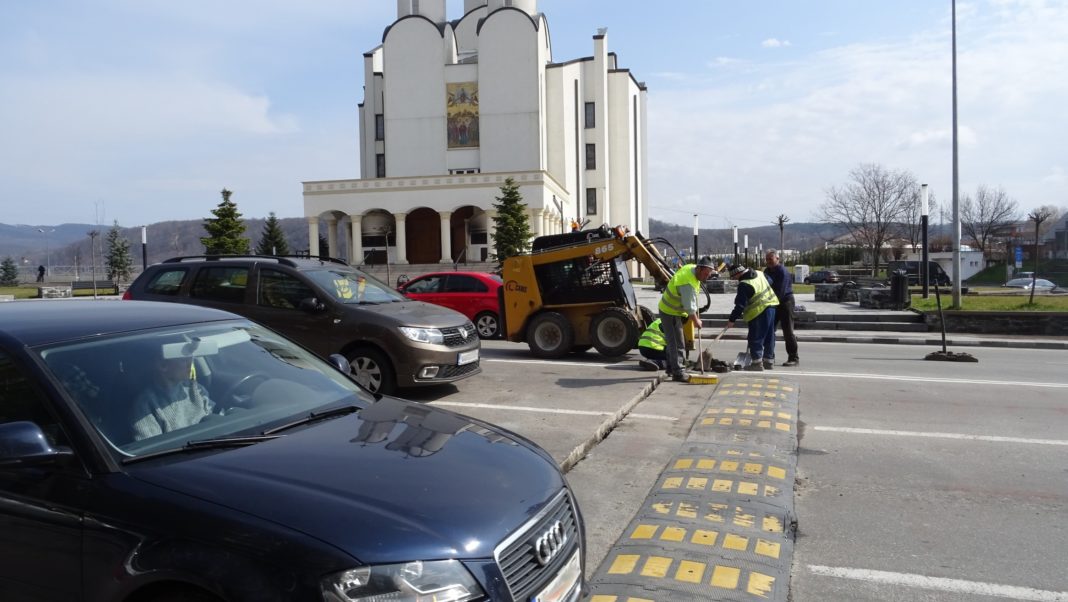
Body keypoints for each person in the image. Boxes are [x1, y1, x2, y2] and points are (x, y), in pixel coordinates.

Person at [657, 256, 717, 382]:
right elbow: (689, 307)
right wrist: (696, 321)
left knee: (673, 342)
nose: (707, 277)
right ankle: (678, 372)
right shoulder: (687, 283)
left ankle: (670, 367)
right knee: (678, 343)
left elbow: (691, 298)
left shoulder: (691, 269)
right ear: (699, 269)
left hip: (672, 310)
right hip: (670, 311)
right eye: (705, 274)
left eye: (709, 274)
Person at [131, 353, 216, 440]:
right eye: (184, 360)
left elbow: (213, 420)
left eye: (192, 359)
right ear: (162, 365)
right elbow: (151, 448)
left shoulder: (195, 388)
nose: (191, 364)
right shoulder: (146, 404)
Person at [726, 264, 780, 371]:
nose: (734, 279)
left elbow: (740, 305)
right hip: (772, 306)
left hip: (759, 311)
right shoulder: (759, 273)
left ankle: (757, 363)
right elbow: (771, 282)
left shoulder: (745, 284)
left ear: (737, 274)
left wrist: (732, 320)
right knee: (769, 336)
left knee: (755, 337)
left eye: (734, 277)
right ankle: (768, 361)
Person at [764, 250, 799, 366]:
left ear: (777, 259)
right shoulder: (766, 271)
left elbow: (780, 292)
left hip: (785, 302)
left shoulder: (782, 272)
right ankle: (769, 356)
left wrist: (769, 302)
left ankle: (793, 357)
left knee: (788, 331)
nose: (768, 261)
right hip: (773, 303)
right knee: (769, 330)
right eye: (767, 259)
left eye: (771, 259)